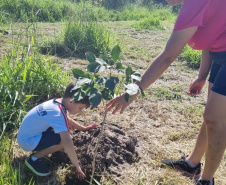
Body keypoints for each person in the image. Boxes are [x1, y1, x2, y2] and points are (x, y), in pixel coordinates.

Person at [106, 0, 226, 184]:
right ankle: (192, 164)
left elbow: (167, 57)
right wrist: (202, 75)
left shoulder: (195, 5)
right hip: (220, 54)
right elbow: (211, 35)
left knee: (215, 119)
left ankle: (206, 181)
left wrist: (132, 92)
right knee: (210, 116)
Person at [17, 82, 99, 179]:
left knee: (61, 131)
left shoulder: (56, 103)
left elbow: (67, 120)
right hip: (27, 141)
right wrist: (76, 165)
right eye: (80, 108)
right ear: (71, 101)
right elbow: (67, 141)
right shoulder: (58, 113)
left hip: (25, 135)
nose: (80, 111)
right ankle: (34, 159)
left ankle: (40, 148)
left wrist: (84, 128)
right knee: (61, 141)